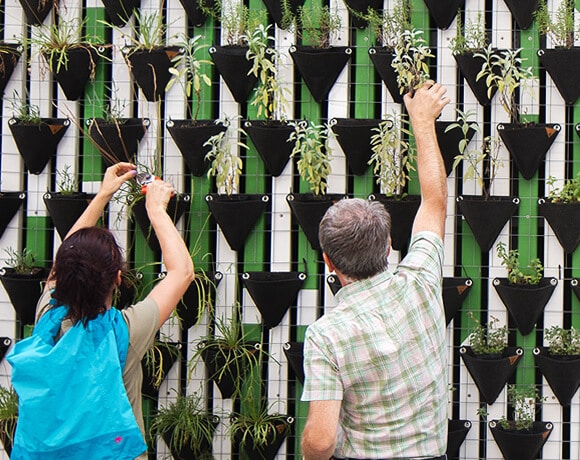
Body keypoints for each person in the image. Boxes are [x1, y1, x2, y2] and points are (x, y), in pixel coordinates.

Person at [301, 81, 450, 460]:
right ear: (388, 246)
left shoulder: (325, 336)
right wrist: (422, 122)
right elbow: (434, 201)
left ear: (327, 261)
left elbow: (320, 441)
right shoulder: (421, 280)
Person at [8, 162, 194, 459]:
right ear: (119, 279)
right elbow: (182, 272)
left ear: (61, 276)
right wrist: (156, 209)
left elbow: (65, 257)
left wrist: (103, 194)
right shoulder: (124, 332)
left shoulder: (48, 316)